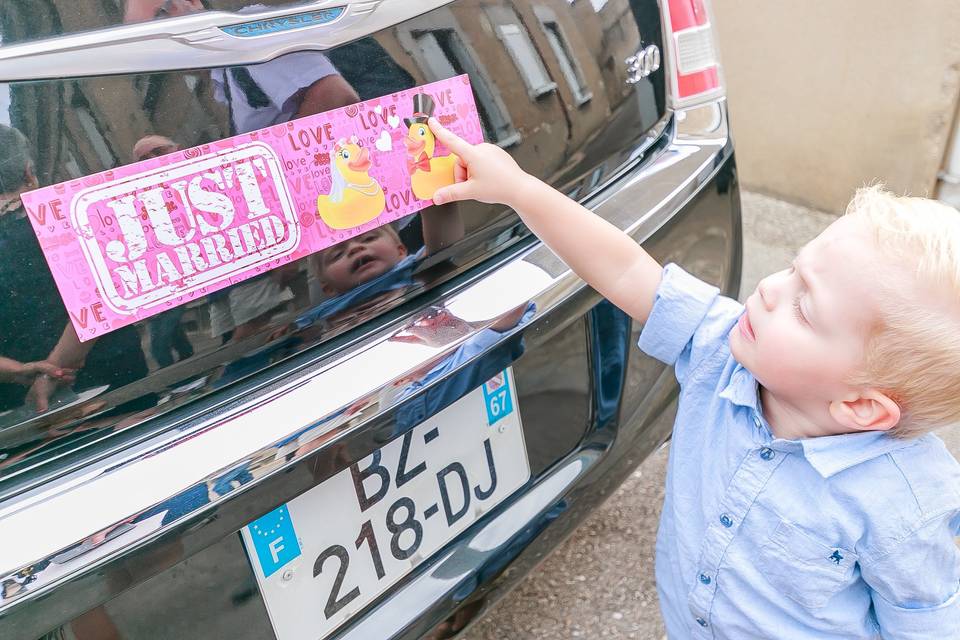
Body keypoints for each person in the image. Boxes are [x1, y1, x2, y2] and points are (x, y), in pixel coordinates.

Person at [426, 116, 960, 638]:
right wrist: (519, 190)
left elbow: (923, 622)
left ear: (861, 406)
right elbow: (625, 269)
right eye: (794, 268)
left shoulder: (906, 510)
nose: (772, 288)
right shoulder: (719, 349)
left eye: (806, 309)